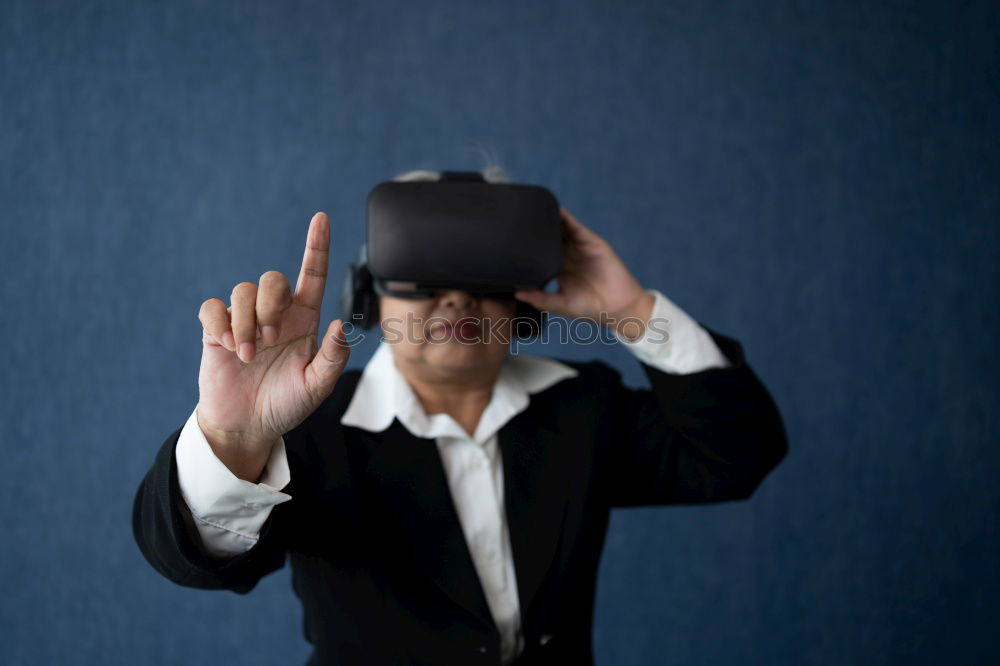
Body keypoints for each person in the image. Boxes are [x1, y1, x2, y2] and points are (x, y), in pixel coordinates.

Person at [132, 168, 788, 666]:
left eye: (482, 273)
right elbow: (194, 560)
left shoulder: (583, 407)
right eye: (422, 272)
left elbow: (735, 456)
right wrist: (235, 438)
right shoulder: (308, 434)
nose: (454, 297)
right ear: (368, 296)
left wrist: (633, 312)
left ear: (524, 302)